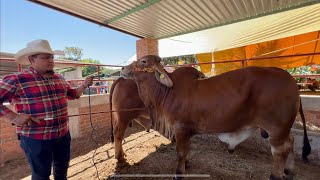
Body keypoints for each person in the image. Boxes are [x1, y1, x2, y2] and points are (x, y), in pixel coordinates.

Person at [0, 39, 93, 180]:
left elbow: (73, 94)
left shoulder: (59, 78)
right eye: (45, 57)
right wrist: (14, 117)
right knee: (41, 175)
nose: (51, 60)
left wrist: (85, 85)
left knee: (62, 170)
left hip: (62, 134)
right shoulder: (17, 79)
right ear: (32, 59)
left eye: (52, 57)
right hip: (36, 138)